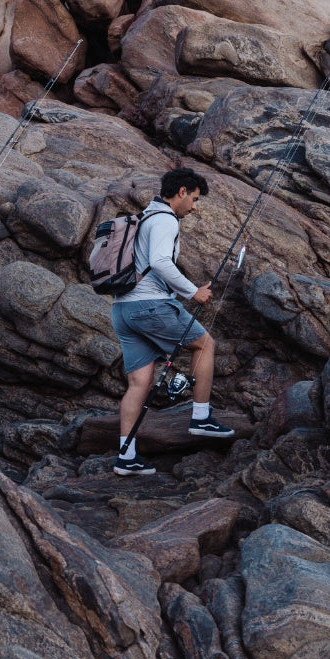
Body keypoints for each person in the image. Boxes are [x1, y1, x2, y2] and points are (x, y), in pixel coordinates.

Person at [110, 167, 234, 475]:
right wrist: (193, 292)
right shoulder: (165, 219)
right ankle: (202, 417)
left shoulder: (145, 217)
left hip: (123, 310)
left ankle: (126, 456)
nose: (194, 206)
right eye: (193, 199)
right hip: (150, 307)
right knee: (204, 345)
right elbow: (160, 262)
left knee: (139, 382)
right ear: (181, 192)